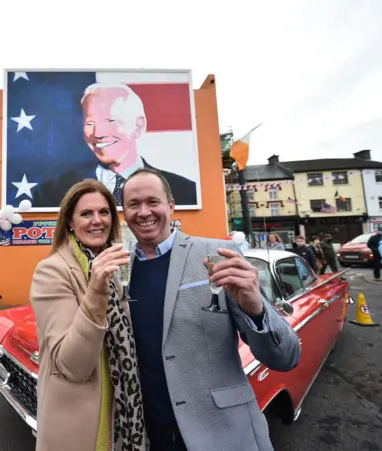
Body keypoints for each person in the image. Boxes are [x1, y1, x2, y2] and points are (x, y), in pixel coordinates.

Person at [120, 168, 301, 451]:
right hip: (151, 437)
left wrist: (256, 309)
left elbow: (285, 357)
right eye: (133, 204)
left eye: (153, 202)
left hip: (223, 435)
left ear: (170, 206)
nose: (144, 212)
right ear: (124, 212)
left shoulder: (218, 255)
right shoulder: (120, 270)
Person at [30, 179, 147, 451]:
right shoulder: (52, 270)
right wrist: (95, 290)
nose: (98, 221)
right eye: (86, 214)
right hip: (79, 423)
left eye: (104, 212)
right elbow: (71, 365)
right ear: (69, 222)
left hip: (121, 414)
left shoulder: (108, 264)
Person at [32, 82, 197, 208]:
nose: (98, 133)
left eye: (109, 121)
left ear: (138, 126)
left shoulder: (184, 190)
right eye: (90, 123)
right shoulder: (49, 193)